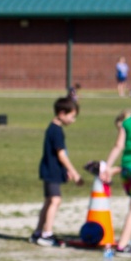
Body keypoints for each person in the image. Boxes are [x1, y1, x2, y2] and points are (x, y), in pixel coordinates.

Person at [31, 94, 83, 246]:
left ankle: (37, 232)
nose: (73, 120)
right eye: (72, 116)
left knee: (49, 201)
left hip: (50, 169)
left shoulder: (53, 128)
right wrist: (74, 172)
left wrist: (64, 171)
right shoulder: (56, 131)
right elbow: (61, 155)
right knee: (55, 200)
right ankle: (46, 234)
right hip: (51, 170)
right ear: (62, 113)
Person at [102, 93, 131, 254]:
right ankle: (122, 245)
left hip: (126, 170)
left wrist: (108, 166)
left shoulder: (127, 122)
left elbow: (118, 146)